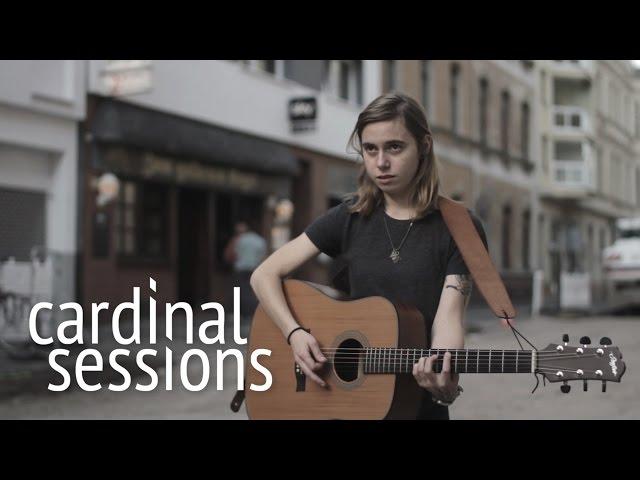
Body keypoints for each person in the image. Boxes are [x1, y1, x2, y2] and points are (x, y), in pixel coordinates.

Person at [249, 93, 488, 420]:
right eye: (370, 149)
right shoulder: (348, 217)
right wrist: (294, 333)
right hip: (347, 406)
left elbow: (449, 316)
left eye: (394, 147)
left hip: (414, 409)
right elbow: (263, 275)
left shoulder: (460, 227)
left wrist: (443, 368)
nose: (381, 163)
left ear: (425, 146)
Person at [224, 221, 267, 326]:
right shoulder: (260, 240)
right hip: (254, 268)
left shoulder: (238, 240)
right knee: (251, 291)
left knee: (239, 291)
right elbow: (263, 256)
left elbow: (230, 254)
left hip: (241, 268)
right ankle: (252, 313)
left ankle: (239, 313)